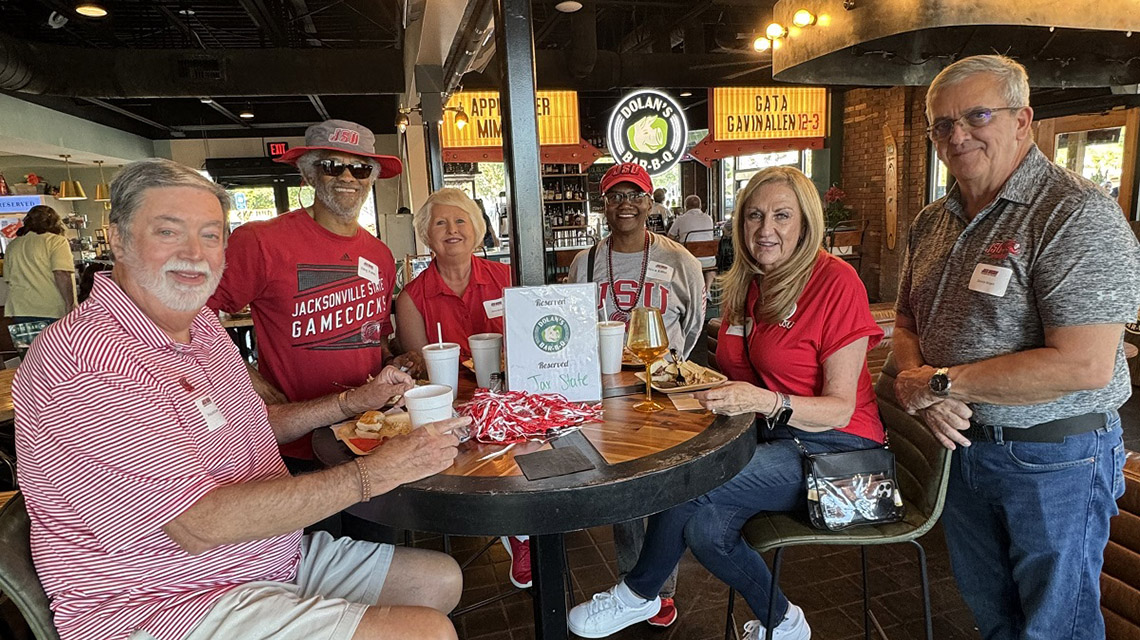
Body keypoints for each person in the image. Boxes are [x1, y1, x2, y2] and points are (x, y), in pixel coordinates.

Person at [14, 158, 466, 640]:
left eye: (210, 235)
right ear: (118, 239)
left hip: (260, 555)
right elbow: (198, 524)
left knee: (440, 581)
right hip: (162, 600)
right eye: (168, 231)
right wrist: (381, 471)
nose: (195, 253)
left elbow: (252, 426)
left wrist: (353, 402)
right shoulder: (90, 359)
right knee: (426, 631)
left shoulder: (201, 329)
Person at [567, 166, 884, 640]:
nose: (765, 229)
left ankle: (638, 593)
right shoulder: (751, 282)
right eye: (754, 216)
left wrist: (763, 399)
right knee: (706, 532)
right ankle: (785, 624)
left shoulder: (836, 282)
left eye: (781, 215)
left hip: (841, 453)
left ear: (806, 222)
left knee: (696, 479)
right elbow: (734, 373)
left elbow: (839, 408)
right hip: (778, 439)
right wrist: (690, 391)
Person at [892, 55, 1140, 639]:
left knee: (1058, 625)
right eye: (942, 124)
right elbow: (906, 320)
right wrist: (914, 379)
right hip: (964, 450)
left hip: (1056, 459)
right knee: (993, 615)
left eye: (977, 115)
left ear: (1024, 120)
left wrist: (938, 385)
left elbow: (1083, 364)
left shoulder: (1075, 213)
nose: (958, 135)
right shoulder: (933, 220)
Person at [208, 119, 417, 471]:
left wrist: (393, 360)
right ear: (308, 174)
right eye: (332, 166)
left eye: (361, 169)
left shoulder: (380, 256)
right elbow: (194, 318)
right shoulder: (260, 241)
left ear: (372, 178)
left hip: (366, 436)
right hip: (292, 441)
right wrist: (249, 382)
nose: (348, 177)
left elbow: (372, 338)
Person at [564, 162, 705, 628]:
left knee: (665, 485)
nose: (625, 202)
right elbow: (573, 324)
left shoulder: (680, 259)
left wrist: (673, 362)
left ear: (650, 202)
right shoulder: (584, 262)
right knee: (623, 490)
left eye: (635, 194)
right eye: (614, 195)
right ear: (603, 204)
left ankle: (660, 586)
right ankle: (633, 584)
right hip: (610, 392)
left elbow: (695, 322)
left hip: (665, 391)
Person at [396, 188, 511, 358]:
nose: (452, 230)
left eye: (460, 221)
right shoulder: (411, 299)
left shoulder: (508, 278)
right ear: (426, 233)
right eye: (440, 223)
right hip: (446, 385)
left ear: (476, 228)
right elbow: (421, 368)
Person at [3, 205, 76, 324]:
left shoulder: (13, 245)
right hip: (51, 308)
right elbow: (61, 273)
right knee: (53, 342)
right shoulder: (56, 241)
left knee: (27, 343)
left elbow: (8, 278)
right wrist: (70, 304)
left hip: (20, 309)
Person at [667, 194, 717, 291]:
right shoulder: (708, 218)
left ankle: (688, 290)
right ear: (700, 206)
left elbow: (670, 237)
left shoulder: (681, 219)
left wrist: (680, 239)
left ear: (685, 207)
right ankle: (707, 290)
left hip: (689, 259)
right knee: (710, 269)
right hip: (709, 261)